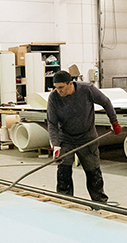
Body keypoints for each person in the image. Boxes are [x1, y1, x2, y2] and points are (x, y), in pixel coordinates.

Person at [46, 70, 122, 203]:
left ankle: (99, 203)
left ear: (70, 83)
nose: (58, 91)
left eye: (61, 87)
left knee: (93, 172)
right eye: (56, 87)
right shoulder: (54, 97)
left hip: (87, 137)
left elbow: (106, 102)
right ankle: (64, 202)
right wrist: (55, 144)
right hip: (66, 139)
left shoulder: (87, 90)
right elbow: (52, 123)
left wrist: (114, 121)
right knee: (63, 173)